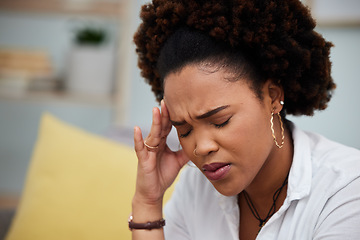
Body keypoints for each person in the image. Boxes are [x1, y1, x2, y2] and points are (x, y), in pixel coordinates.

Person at [130, 0, 360, 239]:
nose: (201, 147)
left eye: (220, 121)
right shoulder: (196, 188)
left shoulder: (346, 189)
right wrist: (147, 202)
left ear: (272, 96)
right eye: (185, 130)